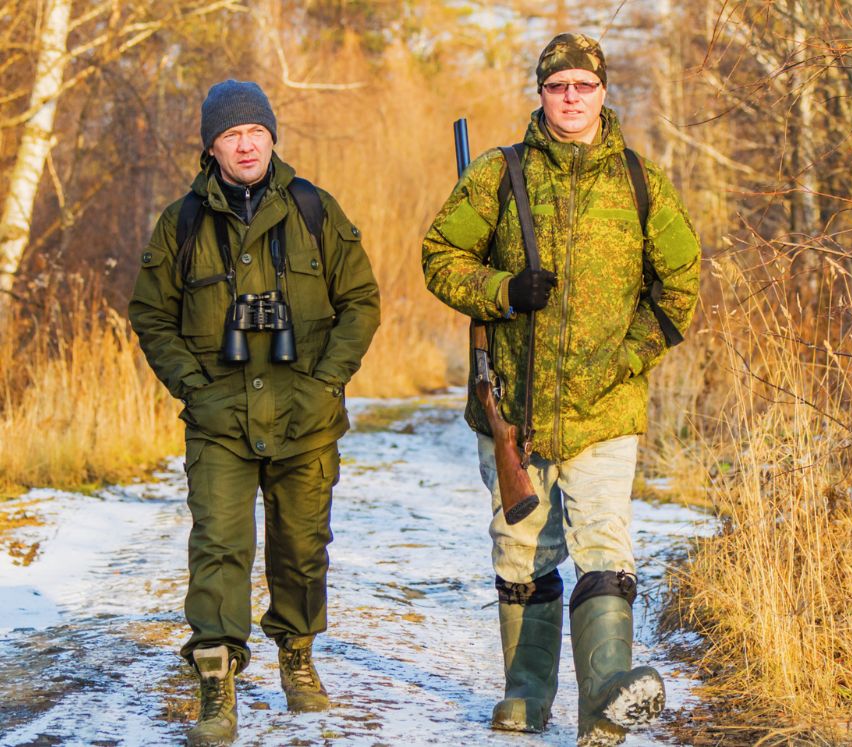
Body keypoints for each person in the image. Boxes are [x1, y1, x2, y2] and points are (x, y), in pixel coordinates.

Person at [422, 33, 701, 746]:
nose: (571, 97)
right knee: (522, 552)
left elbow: (681, 285)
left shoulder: (641, 182)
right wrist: (503, 290)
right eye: (557, 86)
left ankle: (605, 700)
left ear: (604, 93)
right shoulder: (497, 174)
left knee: (605, 545)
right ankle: (525, 692)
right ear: (540, 93)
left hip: (605, 409)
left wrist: (626, 358)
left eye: (583, 85)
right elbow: (440, 257)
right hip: (512, 401)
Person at [129, 80, 380, 746]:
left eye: (256, 133)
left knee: (301, 548)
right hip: (219, 421)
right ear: (211, 147)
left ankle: (297, 655)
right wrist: (193, 385)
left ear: (272, 136)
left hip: (307, 416)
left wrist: (327, 380)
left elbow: (361, 300)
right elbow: (150, 313)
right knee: (218, 547)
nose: (246, 145)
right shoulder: (183, 222)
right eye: (231, 135)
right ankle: (217, 674)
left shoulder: (314, 210)